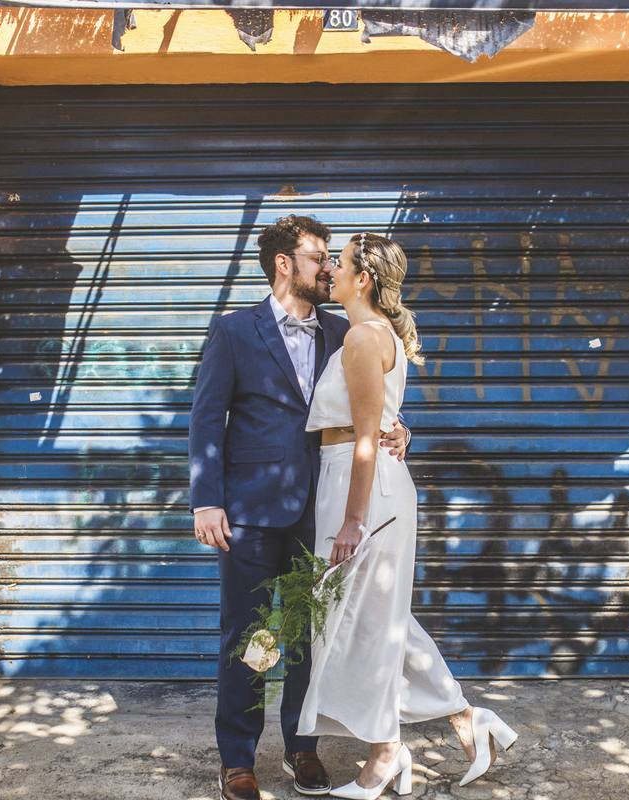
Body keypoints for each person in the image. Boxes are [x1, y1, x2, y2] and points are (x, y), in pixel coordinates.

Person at [188, 216, 409, 800]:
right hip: (251, 512)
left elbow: (369, 403)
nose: (330, 267)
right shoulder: (234, 331)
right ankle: (237, 759)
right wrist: (206, 500)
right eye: (318, 257)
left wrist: (399, 428)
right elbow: (206, 419)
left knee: (314, 635)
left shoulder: (345, 329)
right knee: (251, 635)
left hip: (325, 509)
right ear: (284, 263)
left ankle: (302, 747)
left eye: (334, 257)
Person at [298, 233, 518, 799]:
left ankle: (386, 753)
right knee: (378, 616)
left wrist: (353, 520)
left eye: (341, 263)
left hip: (360, 486)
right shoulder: (376, 334)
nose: (331, 270)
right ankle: (463, 718)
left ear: (362, 278)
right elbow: (378, 421)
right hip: (361, 480)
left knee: (364, 619)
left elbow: (365, 438)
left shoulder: (363, 337)